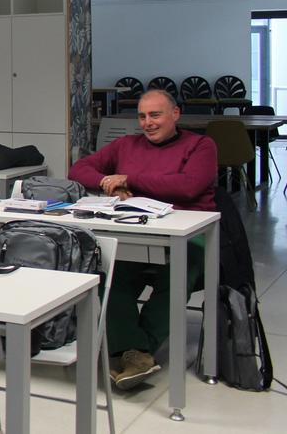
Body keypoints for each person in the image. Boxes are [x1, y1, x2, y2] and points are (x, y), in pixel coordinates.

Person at [68, 89, 216, 391]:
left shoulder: (201, 145)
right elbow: (79, 169)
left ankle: (137, 350)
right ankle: (135, 352)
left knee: (177, 275)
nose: (147, 122)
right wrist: (105, 183)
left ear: (175, 114)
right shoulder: (126, 145)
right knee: (108, 274)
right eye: (142, 116)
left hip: (190, 235)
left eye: (155, 115)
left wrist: (128, 179)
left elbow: (188, 186)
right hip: (138, 232)